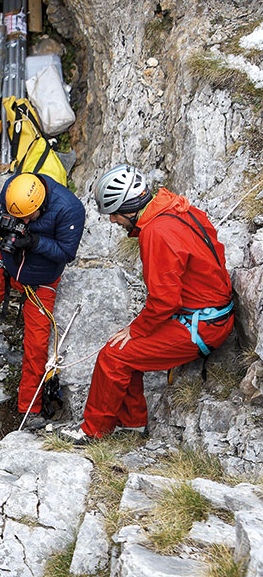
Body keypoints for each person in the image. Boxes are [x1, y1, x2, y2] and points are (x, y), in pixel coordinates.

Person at [57, 163, 234, 443]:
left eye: (114, 214)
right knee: (128, 352)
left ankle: (92, 431)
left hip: (200, 325)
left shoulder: (156, 233)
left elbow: (165, 301)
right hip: (210, 314)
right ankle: (132, 424)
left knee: (113, 355)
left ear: (129, 209)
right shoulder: (178, 208)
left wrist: (137, 329)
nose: (113, 221)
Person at [0, 172, 86, 428]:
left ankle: (30, 408)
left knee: (36, 342)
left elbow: (66, 252)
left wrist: (34, 241)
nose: (23, 220)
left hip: (42, 277)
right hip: (9, 264)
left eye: (28, 218)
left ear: (40, 207)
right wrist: (1, 226)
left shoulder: (69, 209)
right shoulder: (14, 190)